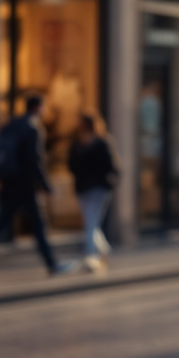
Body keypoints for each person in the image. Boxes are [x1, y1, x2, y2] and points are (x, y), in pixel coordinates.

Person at [0, 95, 76, 278]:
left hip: (8, 183)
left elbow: (0, 153)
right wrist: (45, 186)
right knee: (39, 226)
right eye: (43, 108)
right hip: (25, 185)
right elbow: (35, 161)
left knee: (0, 222)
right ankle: (52, 264)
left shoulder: (10, 125)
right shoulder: (33, 127)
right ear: (38, 108)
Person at [67, 113, 119, 273]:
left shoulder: (78, 143)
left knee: (90, 222)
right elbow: (112, 165)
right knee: (92, 223)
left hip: (86, 187)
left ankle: (91, 256)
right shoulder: (101, 142)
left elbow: (71, 165)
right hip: (98, 187)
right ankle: (101, 252)